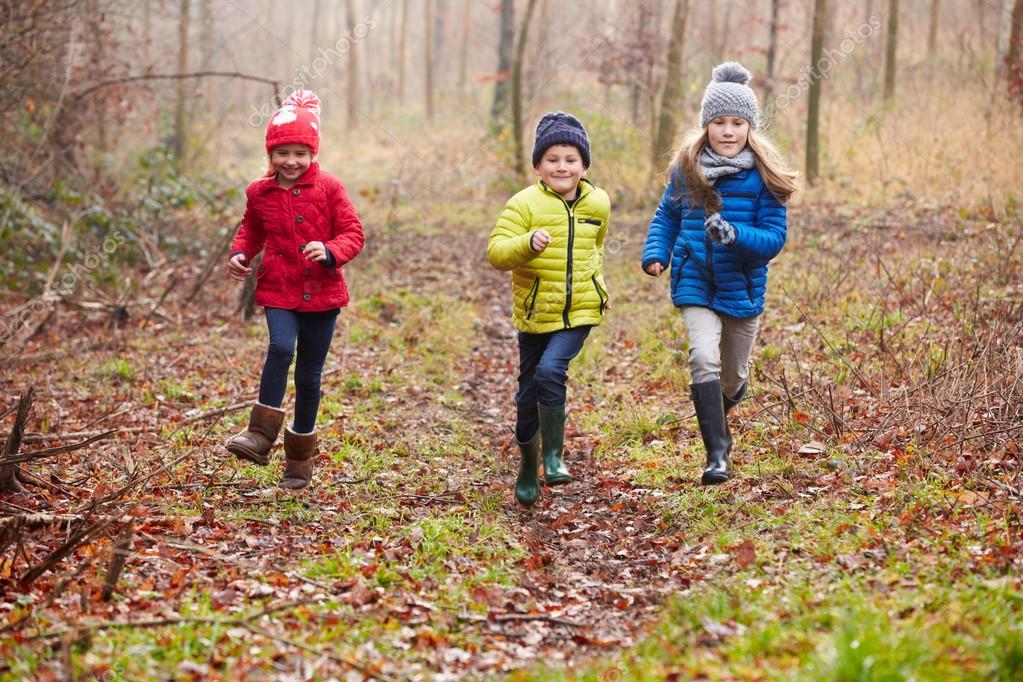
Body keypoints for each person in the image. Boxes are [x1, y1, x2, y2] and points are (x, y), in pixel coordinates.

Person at [642, 62, 798, 485]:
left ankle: (723, 406)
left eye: (737, 122)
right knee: (702, 358)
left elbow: (773, 240)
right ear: (705, 125)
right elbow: (666, 217)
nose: (727, 131)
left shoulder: (765, 177)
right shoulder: (686, 168)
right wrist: (657, 253)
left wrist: (733, 234)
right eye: (718, 122)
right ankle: (717, 454)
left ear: (750, 127)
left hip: (743, 287)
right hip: (695, 280)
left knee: (733, 377)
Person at [225, 90, 365, 489]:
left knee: (308, 376)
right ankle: (260, 432)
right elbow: (251, 229)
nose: (291, 161)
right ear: (271, 154)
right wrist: (240, 253)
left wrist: (331, 250)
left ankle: (299, 461)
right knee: (281, 348)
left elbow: (354, 233)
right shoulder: (259, 192)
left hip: (323, 294)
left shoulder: (330, 188)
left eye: (300, 153)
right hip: (279, 288)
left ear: (312, 153)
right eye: (282, 152)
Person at [488, 112, 611, 506]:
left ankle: (554, 458)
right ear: (538, 165)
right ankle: (528, 467)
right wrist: (526, 244)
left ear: (584, 165)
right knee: (528, 395)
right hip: (536, 312)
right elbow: (496, 253)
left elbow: (597, 246)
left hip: (580, 310)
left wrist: (598, 285)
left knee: (550, 370)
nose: (562, 167)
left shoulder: (599, 202)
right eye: (553, 159)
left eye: (571, 159)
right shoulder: (523, 204)